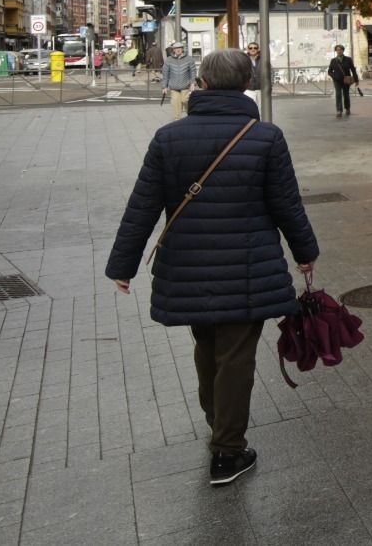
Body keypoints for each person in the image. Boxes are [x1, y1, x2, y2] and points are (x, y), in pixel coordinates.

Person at [105, 48, 318, 488]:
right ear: (246, 84)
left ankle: (218, 425)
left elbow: (142, 206)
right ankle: (227, 452)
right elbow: (286, 205)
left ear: (200, 82)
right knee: (236, 356)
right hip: (246, 269)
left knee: (207, 347)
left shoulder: (168, 138)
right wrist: (305, 251)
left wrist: (122, 265)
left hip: (187, 267)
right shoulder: (265, 137)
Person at [162, 42, 197, 118]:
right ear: (173, 50)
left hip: (185, 86)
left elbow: (193, 72)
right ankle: (177, 120)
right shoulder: (169, 60)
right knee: (175, 104)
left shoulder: (189, 59)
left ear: (182, 49)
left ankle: (190, 115)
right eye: (176, 48)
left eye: (179, 48)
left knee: (185, 100)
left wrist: (193, 83)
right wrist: (164, 86)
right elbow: (165, 74)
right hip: (174, 87)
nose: (178, 50)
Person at [327, 44, 357, 118]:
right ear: (336, 51)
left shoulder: (348, 59)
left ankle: (347, 108)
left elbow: (353, 70)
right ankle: (339, 110)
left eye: (340, 49)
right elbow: (329, 71)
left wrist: (356, 79)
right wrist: (334, 76)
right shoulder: (333, 60)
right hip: (337, 80)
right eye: (337, 50)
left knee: (346, 94)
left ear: (343, 50)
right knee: (338, 94)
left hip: (346, 80)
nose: (339, 51)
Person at [244, 43, 265, 107]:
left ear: (258, 49)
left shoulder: (263, 59)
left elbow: (270, 72)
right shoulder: (244, 59)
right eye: (250, 48)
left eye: (255, 48)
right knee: (250, 107)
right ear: (248, 49)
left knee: (261, 109)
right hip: (249, 89)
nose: (253, 49)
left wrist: (269, 86)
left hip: (261, 89)